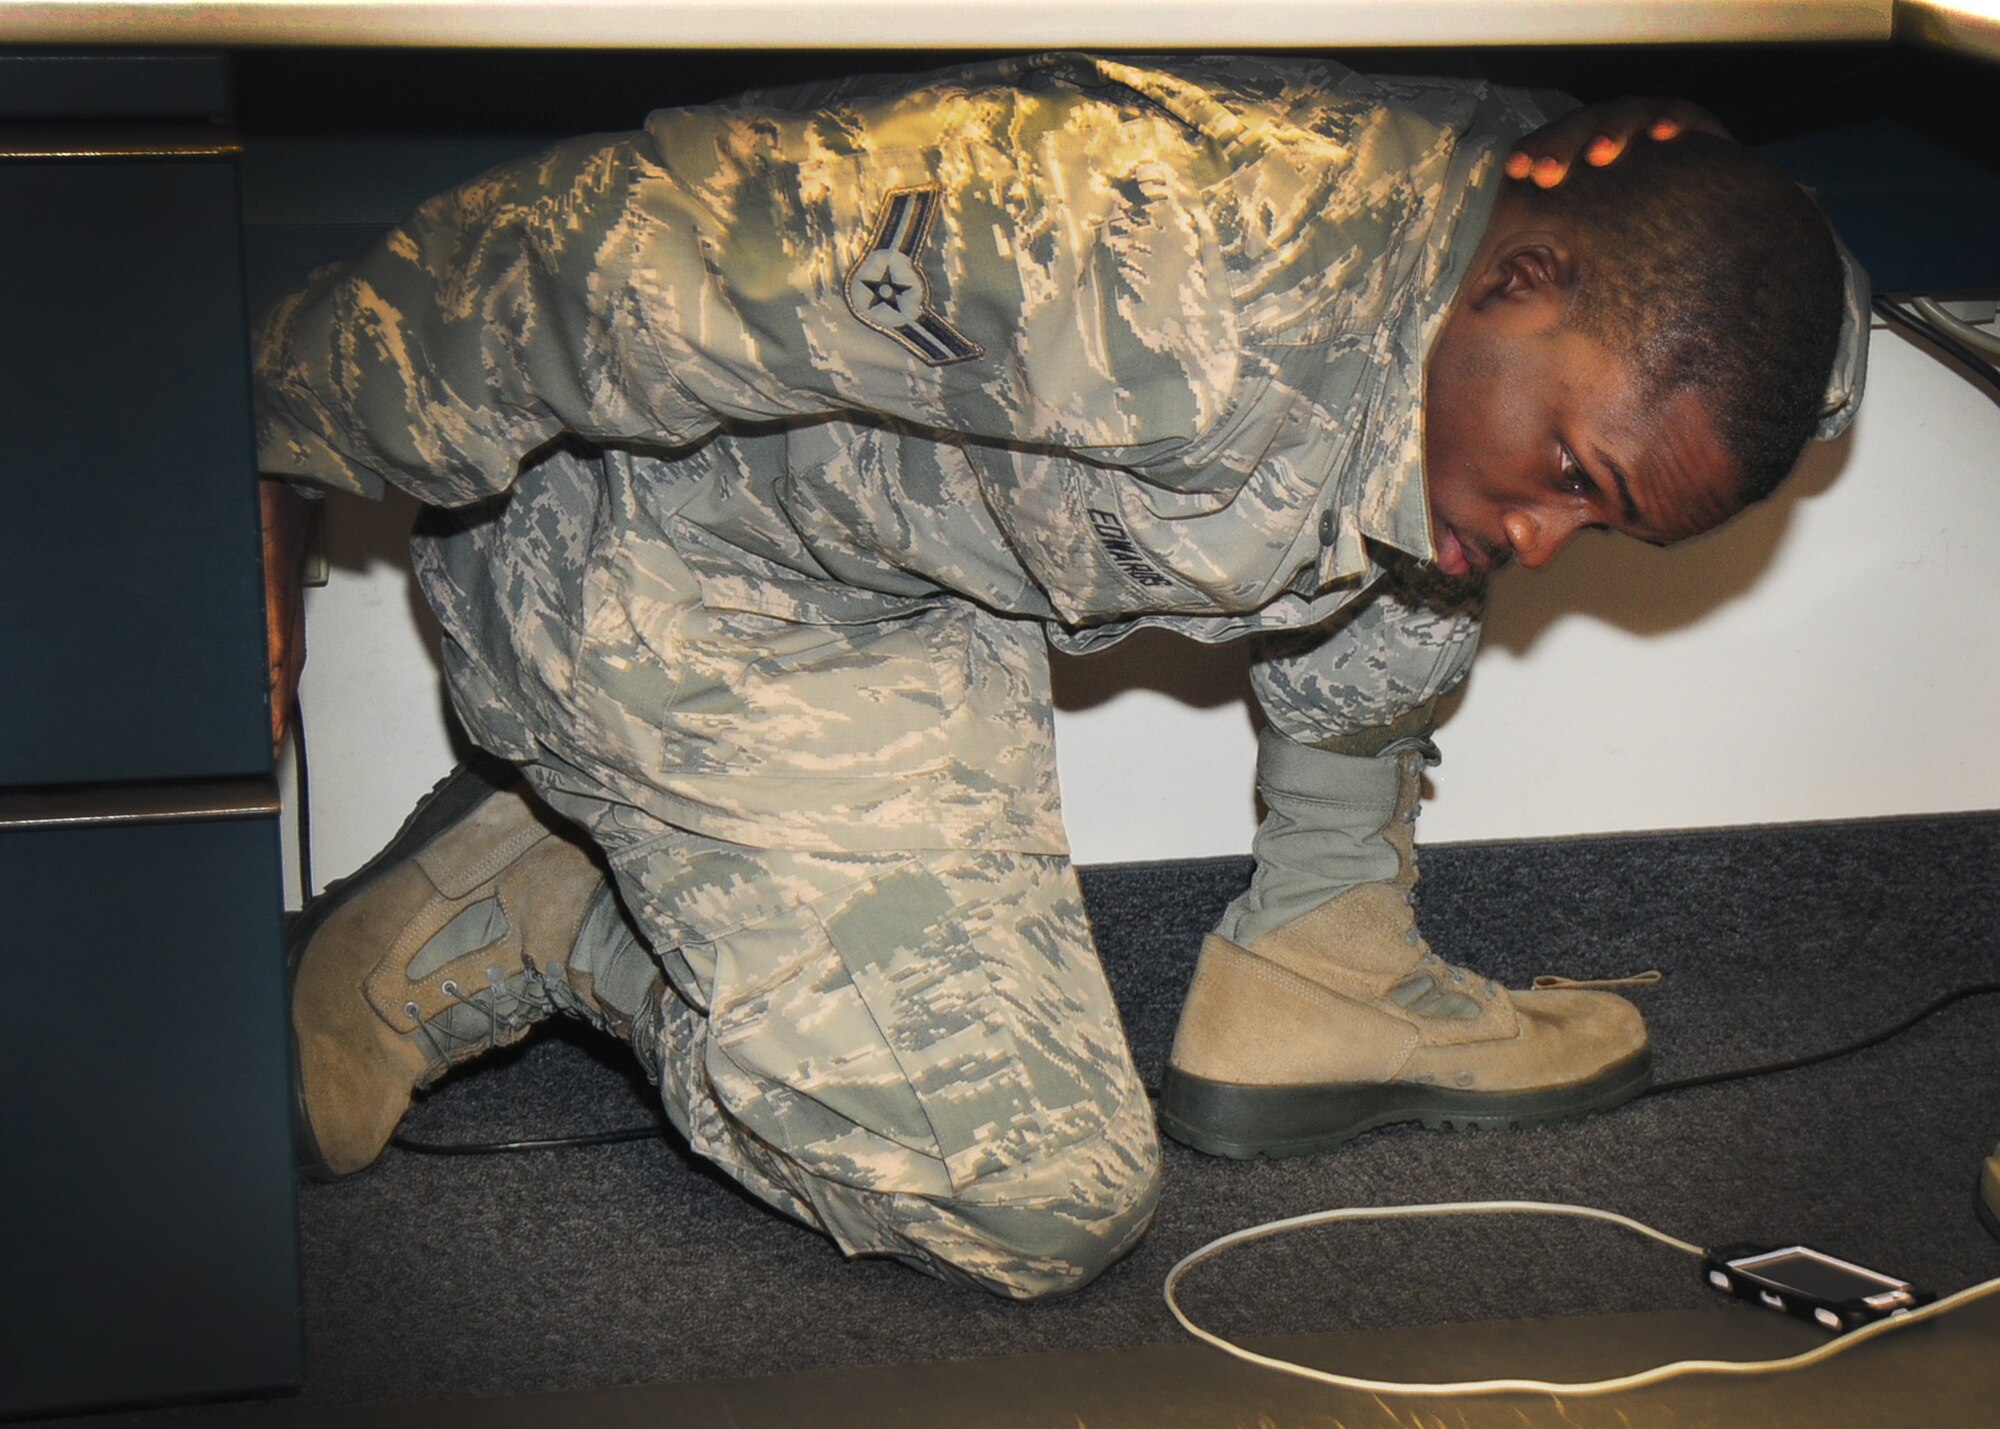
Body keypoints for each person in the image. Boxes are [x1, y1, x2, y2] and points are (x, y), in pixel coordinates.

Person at [255, 53, 1866, 1301]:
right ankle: (555, 902)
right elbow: (593, 251)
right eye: (1573, 468)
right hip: (671, 571)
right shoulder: (1136, 259)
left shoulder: (1548, 317)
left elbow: (1789, 307)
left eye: (1605, 510)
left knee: (1451, 515)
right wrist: (267, 459)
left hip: (914, 588)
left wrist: (1684, 143)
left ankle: (1324, 942)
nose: (1549, 533)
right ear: (1522, 282)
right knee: (1034, 1201)